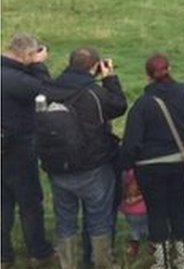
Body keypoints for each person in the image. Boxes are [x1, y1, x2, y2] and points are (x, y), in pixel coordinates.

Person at [41, 48, 127, 268]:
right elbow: (119, 106)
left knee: (65, 219)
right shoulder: (94, 94)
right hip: (93, 166)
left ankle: (68, 264)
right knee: (99, 218)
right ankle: (101, 263)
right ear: (94, 66)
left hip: (57, 166)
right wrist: (109, 79)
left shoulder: (49, 89)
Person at [120, 54, 184, 268]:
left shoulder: (142, 106)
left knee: (156, 212)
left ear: (148, 76)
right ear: (169, 69)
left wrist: (126, 166)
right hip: (181, 161)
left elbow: (132, 143)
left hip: (150, 167)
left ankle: (161, 262)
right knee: (180, 208)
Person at [1, 33, 57, 268]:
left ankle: (3, 255)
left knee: (2, 203)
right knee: (29, 202)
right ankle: (39, 252)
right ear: (26, 55)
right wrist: (39, 65)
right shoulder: (16, 79)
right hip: (17, 148)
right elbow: (46, 91)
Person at [120, 170, 149, 259]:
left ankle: (134, 248)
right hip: (145, 208)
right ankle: (152, 245)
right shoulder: (144, 173)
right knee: (147, 227)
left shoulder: (125, 174)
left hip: (130, 210)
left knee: (134, 229)